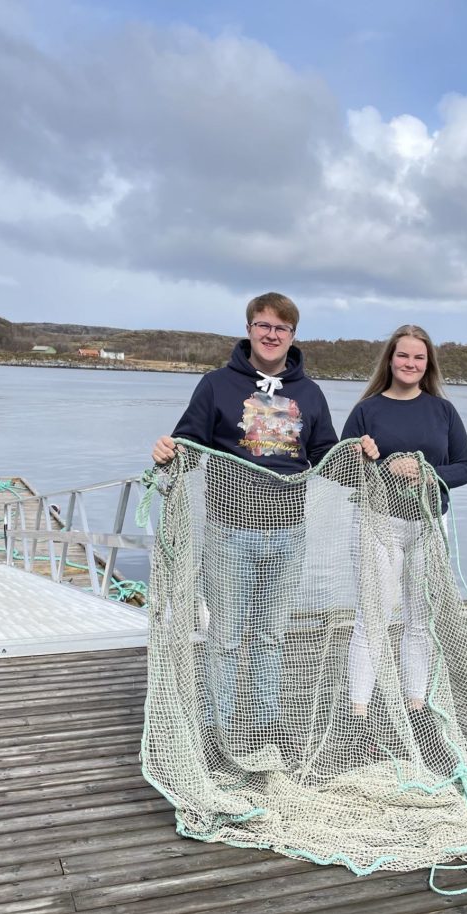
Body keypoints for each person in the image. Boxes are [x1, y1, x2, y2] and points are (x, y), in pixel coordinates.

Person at [151, 292, 376, 748]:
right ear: (249, 329)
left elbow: (325, 457)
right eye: (263, 326)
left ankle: (265, 719)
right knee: (226, 635)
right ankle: (218, 723)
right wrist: (167, 455)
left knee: (271, 634)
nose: (271, 335)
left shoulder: (309, 394)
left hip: (289, 533)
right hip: (229, 531)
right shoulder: (216, 385)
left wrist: (360, 457)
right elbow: (188, 446)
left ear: (292, 336)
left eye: (281, 328)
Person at [341, 324, 467, 723]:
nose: (410, 363)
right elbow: (341, 470)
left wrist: (427, 473)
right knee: (372, 619)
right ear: (390, 359)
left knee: (420, 620)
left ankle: (416, 705)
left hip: (429, 528)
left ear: (428, 363)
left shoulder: (443, 411)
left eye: (419, 357)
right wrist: (380, 465)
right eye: (403, 355)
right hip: (377, 524)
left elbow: (465, 468)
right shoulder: (367, 410)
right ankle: (359, 710)